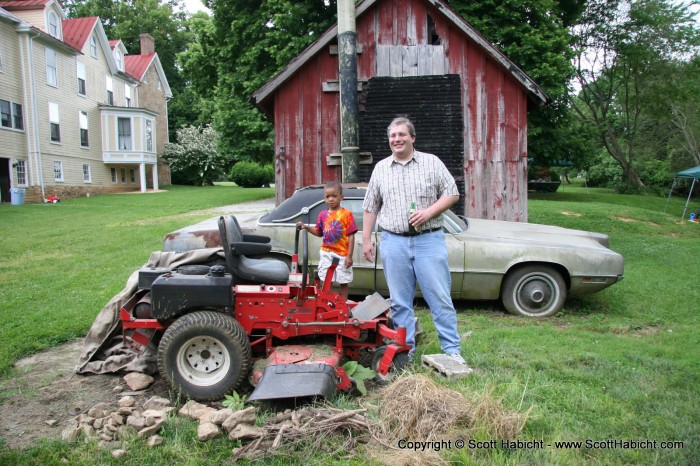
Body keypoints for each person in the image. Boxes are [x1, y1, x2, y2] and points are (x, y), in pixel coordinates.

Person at [362, 116, 465, 365]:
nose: (397, 139)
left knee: (439, 297)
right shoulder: (381, 169)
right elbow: (370, 206)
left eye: (401, 135)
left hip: (428, 240)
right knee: (399, 302)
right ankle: (404, 352)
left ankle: (452, 351)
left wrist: (429, 212)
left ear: (412, 138)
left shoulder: (431, 163)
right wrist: (366, 239)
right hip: (393, 241)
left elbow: (452, 193)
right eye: (393, 136)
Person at [297, 181, 358, 299]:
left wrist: (349, 256)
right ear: (324, 198)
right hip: (326, 252)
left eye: (334, 196)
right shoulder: (323, 215)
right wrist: (306, 227)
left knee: (343, 280)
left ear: (341, 197)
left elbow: (351, 236)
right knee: (326, 279)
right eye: (327, 196)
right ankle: (325, 302)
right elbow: (319, 233)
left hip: (342, 254)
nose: (331, 199)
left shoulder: (346, 214)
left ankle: (343, 305)